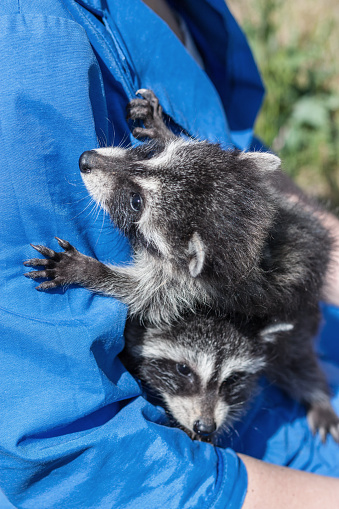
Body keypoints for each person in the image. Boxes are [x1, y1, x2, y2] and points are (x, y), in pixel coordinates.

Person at [0, 1, 338, 508]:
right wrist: (86, 271)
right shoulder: (32, 44)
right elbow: (74, 462)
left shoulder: (192, 10)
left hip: (281, 359)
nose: (102, 159)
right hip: (199, 469)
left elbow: (237, 162)